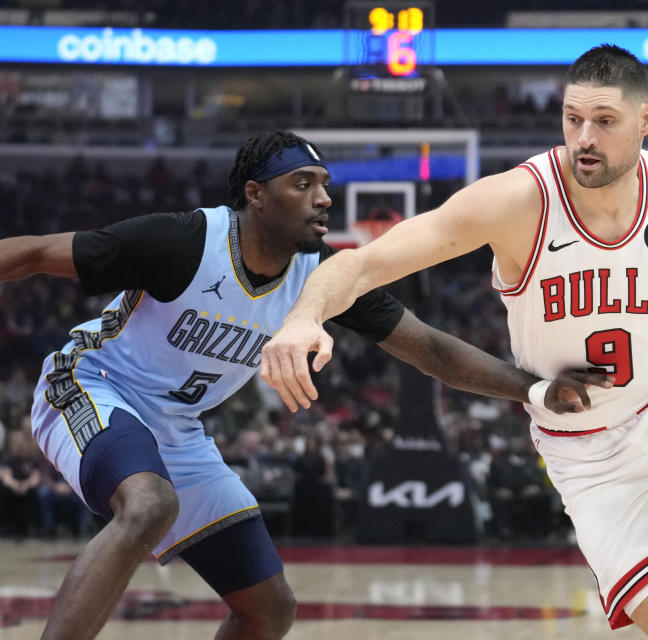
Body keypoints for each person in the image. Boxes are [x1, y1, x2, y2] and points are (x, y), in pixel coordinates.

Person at [262, 46, 648, 640]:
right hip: (584, 442)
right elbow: (363, 263)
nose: (584, 137)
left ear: (646, 120)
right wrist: (304, 315)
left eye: (604, 120)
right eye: (572, 118)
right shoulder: (517, 201)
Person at [0, 130, 610, 640]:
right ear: (255, 195)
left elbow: (429, 349)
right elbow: (32, 253)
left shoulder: (320, 280)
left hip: (176, 430)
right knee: (150, 505)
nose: (323, 199)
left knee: (270, 610)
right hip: (91, 384)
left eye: (325, 186)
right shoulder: (185, 239)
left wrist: (534, 389)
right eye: (303, 184)